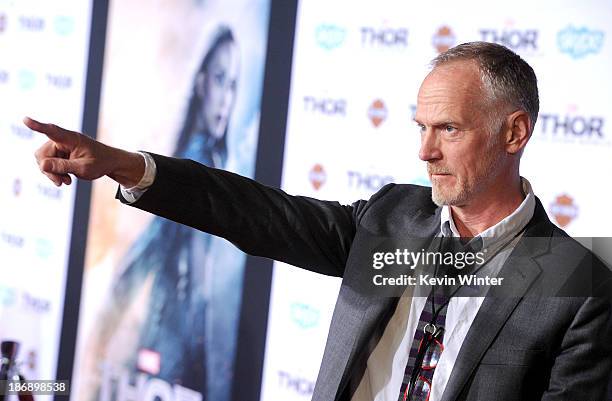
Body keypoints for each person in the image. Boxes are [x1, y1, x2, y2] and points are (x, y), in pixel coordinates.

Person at [26, 42, 611, 401]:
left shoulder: (577, 282)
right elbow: (254, 212)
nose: (425, 152)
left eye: (449, 130)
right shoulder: (392, 218)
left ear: (514, 133)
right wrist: (124, 166)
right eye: (421, 128)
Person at [78, 25, 241, 401]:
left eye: (233, 83)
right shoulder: (196, 160)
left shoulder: (212, 156)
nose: (226, 98)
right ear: (200, 83)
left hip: (185, 343)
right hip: (170, 346)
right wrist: (103, 329)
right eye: (219, 79)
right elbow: (145, 253)